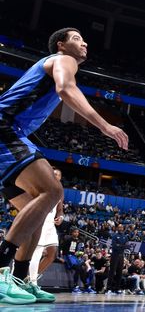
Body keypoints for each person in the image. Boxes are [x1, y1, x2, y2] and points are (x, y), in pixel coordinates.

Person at [0, 27, 128, 304]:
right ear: (61, 45)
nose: (84, 43)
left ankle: (21, 279)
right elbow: (65, 89)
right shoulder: (63, 60)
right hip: (4, 127)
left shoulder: (59, 65)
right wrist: (105, 126)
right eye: (77, 39)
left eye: (83, 40)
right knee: (52, 191)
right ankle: (1, 268)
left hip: (13, 131)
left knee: (38, 208)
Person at [27, 167, 63, 281]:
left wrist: (60, 217)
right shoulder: (42, 187)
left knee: (52, 253)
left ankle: (31, 278)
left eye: (57, 175)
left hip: (50, 225)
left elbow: (60, 209)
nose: (55, 176)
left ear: (60, 178)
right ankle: (32, 282)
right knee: (37, 253)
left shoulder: (60, 191)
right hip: (40, 222)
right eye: (53, 174)